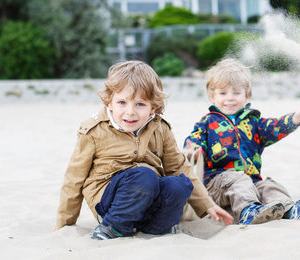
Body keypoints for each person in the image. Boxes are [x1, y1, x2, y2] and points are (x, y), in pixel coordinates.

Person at [54, 60, 233, 240]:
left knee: (179, 184)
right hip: (110, 203)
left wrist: (207, 204)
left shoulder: (160, 128)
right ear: (109, 103)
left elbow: (179, 166)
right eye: (122, 102)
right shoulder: (93, 131)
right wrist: (64, 222)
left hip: (148, 199)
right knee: (144, 175)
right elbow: (74, 178)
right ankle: (113, 228)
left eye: (140, 104)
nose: (130, 112)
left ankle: (158, 228)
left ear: (153, 107)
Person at [184, 58, 300, 225]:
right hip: (217, 185)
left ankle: (292, 210)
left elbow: (275, 126)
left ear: (247, 95)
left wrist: (295, 118)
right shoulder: (208, 122)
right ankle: (248, 212)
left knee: (268, 186)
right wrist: (193, 152)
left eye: (236, 93)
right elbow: (195, 140)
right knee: (239, 180)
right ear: (212, 96)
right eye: (223, 93)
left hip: (250, 181)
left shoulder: (253, 123)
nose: (230, 98)